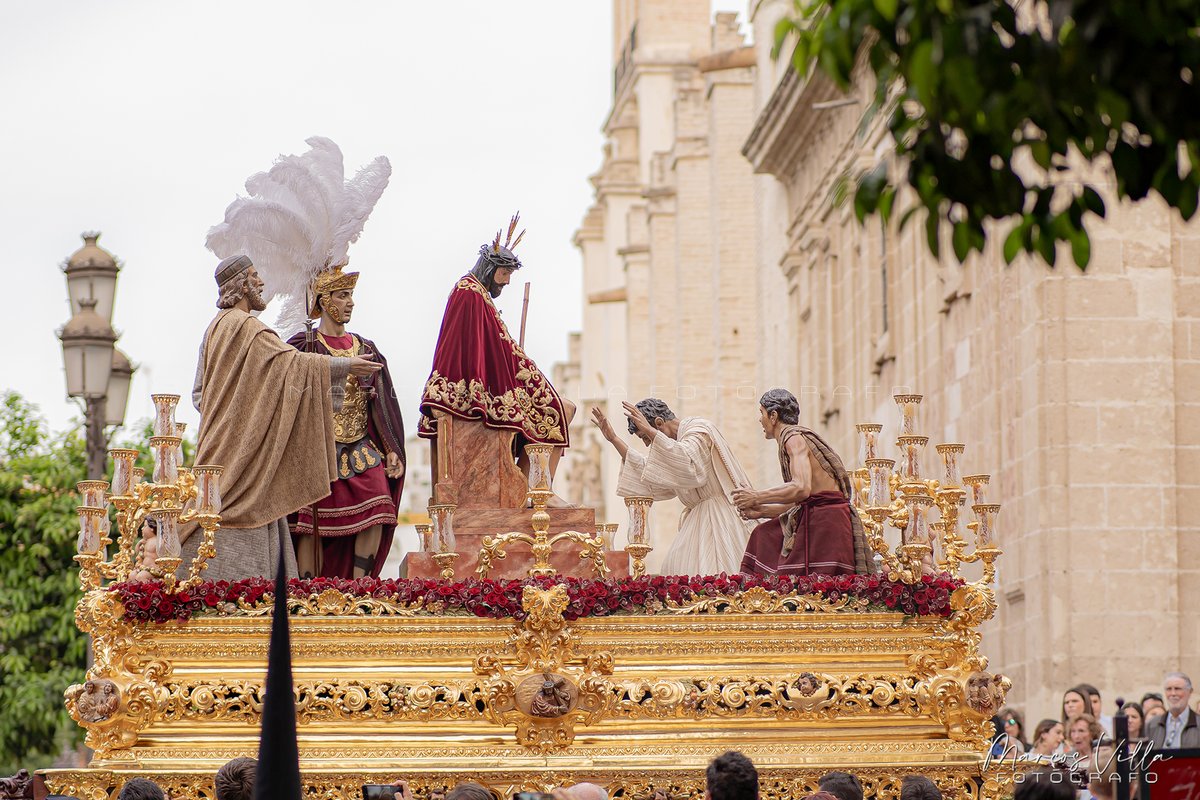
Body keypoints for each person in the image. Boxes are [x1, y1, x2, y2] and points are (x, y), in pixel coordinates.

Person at [182, 255, 380, 581]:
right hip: (241, 460)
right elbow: (292, 366)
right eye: (256, 276)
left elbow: (200, 395)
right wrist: (345, 366)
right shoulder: (248, 329)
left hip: (217, 445)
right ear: (242, 285)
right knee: (241, 511)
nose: (261, 283)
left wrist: (236, 415)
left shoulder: (214, 329)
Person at [419, 217, 575, 499]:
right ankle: (538, 492)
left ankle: (536, 490)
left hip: (494, 384)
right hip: (484, 389)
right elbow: (484, 348)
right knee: (559, 410)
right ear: (491, 269)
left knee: (561, 411)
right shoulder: (471, 294)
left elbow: (495, 346)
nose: (506, 282)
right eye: (504, 274)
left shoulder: (474, 293)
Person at [286, 266, 406, 579]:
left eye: (351, 295)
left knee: (379, 504)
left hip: (361, 445)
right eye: (342, 295)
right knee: (311, 523)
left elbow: (383, 402)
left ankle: (362, 585)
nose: (350, 301)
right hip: (318, 447)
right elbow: (287, 386)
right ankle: (307, 588)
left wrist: (391, 447)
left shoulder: (366, 347)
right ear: (324, 301)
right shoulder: (303, 346)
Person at [591, 398, 754, 574]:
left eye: (645, 437)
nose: (648, 443)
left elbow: (688, 465)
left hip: (720, 520)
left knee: (717, 574)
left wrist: (650, 431)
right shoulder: (676, 448)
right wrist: (614, 439)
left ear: (659, 423)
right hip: (697, 520)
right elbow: (649, 473)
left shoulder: (699, 430)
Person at [735, 389, 871, 576]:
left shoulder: (793, 439)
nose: (760, 419)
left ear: (773, 416)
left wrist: (756, 497)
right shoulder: (795, 438)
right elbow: (801, 504)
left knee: (765, 541)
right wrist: (761, 511)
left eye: (762, 413)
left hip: (824, 523)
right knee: (762, 534)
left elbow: (801, 488)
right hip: (824, 517)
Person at [1146, 671, 1200, 749]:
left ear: (1190, 692)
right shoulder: (1152, 725)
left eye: (1177, 689)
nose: (1173, 693)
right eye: (1169, 689)